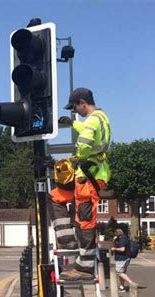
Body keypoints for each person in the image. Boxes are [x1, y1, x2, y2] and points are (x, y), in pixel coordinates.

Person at [50, 87, 111, 280]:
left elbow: (84, 144)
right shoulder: (100, 119)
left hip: (89, 176)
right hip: (88, 175)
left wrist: (78, 157)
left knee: (85, 220)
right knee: (56, 197)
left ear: (83, 102)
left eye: (74, 108)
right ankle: (67, 240)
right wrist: (71, 123)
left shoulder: (93, 119)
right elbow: (85, 131)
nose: (74, 111)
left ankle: (84, 268)